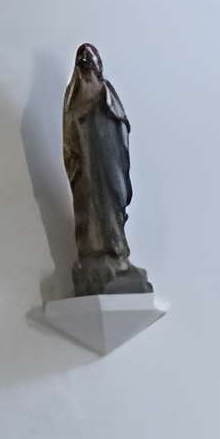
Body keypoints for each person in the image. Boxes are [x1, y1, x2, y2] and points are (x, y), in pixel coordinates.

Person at [60, 44, 150, 295]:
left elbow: (121, 124)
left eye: (92, 65)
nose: (88, 71)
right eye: (84, 66)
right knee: (91, 211)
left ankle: (117, 252)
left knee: (114, 203)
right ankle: (97, 253)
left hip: (108, 164)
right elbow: (70, 137)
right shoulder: (74, 97)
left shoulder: (107, 94)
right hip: (89, 172)